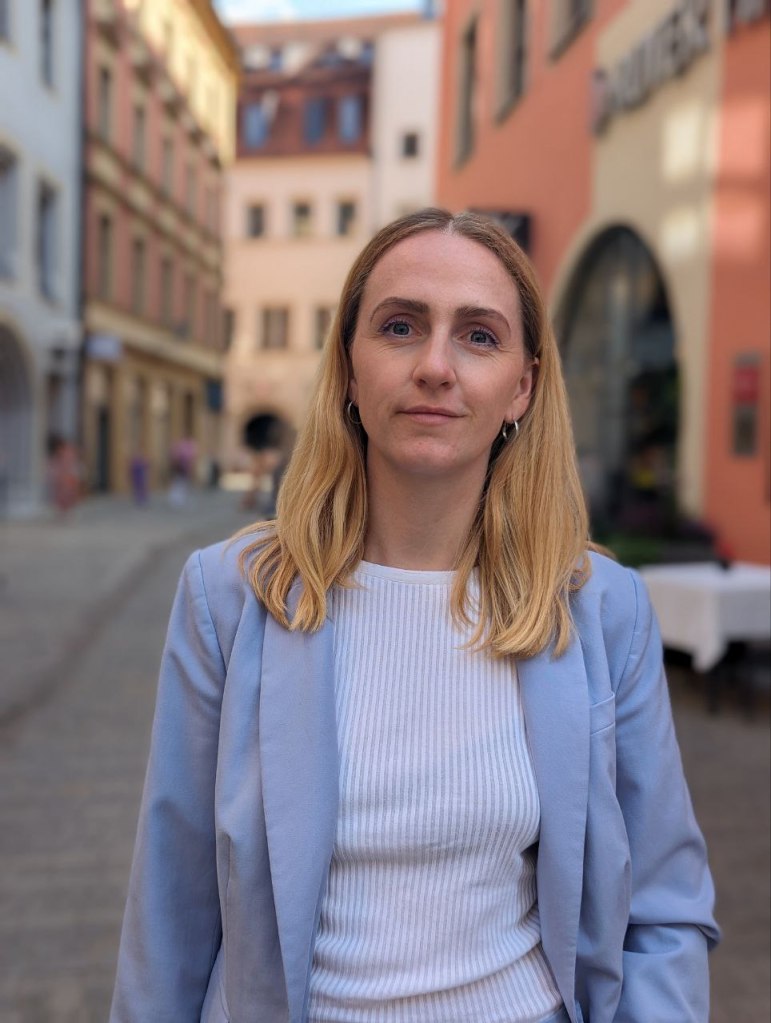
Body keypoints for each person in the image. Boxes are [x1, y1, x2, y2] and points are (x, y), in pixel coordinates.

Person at [110, 209, 719, 1023]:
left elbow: (664, 905)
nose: (435, 365)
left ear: (523, 387)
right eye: (400, 326)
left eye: (478, 336)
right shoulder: (231, 597)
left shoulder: (600, 610)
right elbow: (169, 905)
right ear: (350, 370)